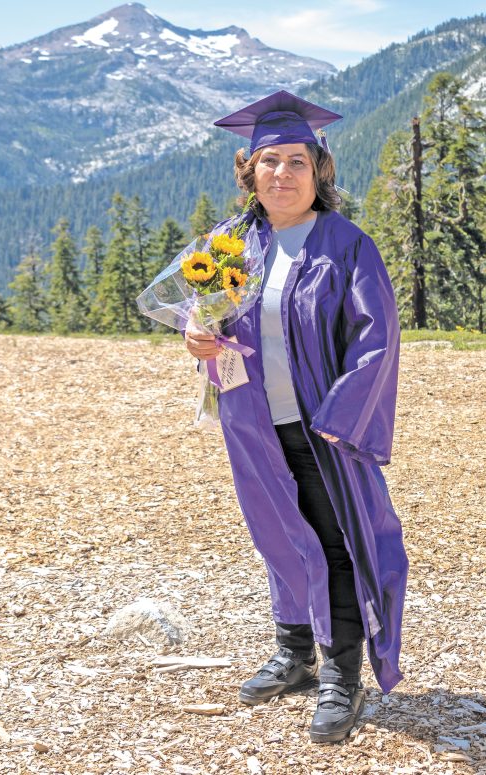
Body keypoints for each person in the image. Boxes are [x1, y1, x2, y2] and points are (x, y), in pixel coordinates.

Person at [184, 90, 408, 744]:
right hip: (253, 422)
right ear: (248, 170)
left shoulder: (346, 245)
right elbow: (206, 321)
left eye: (297, 162)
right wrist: (194, 338)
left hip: (322, 425)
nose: (282, 173)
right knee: (278, 535)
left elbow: (378, 337)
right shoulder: (226, 245)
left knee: (334, 544)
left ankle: (342, 673)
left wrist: (344, 418)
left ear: (320, 171)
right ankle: (294, 651)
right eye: (269, 161)